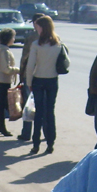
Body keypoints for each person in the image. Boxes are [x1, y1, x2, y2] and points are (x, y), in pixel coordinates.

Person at [25, 15, 63, 155]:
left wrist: (29, 82)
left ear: (43, 27)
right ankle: (50, 143)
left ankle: (36, 144)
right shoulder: (58, 43)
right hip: (52, 80)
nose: (37, 29)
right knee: (50, 112)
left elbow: (30, 66)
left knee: (39, 113)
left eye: (38, 26)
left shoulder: (36, 44)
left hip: (38, 80)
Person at [17, 13, 45, 143]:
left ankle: (26, 133)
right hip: (47, 77)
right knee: (44, 106)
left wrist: (22, 74)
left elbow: (25, 58)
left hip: (31, 75)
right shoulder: (53, 37)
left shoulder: (31, 38)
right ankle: (47, 132)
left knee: (29, 105)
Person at [0, 27, 18, 136]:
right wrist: (18, 70)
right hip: (4, 79)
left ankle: (0, 125)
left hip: (3, 78)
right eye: (13, 37)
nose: (14, 40)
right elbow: (6, 69)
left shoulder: (2, 49)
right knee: (3, 105)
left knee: (2, 104)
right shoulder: (4, 51)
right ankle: (1, 126)